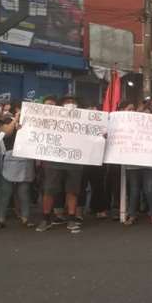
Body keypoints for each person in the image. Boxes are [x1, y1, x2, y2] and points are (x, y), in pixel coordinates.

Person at [36, 96, 86, 233]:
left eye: (73, 103)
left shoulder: (83, 121)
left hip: (74, 160)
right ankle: (45, 218)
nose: (70, 105)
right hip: (54, 160)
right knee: (49, 190)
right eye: (67, 103)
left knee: (72, 190)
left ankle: (71, 218)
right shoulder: (52, 120)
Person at [123, 94, 152, 227]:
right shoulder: (129, 121)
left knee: (149, 189)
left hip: (149, 160)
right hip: (133, 161)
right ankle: (132, 215)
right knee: (134, 190)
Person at [0, 113, 34, 229]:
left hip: (25, 161)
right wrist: (14, 120)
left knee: (23, 192)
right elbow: (6, 133)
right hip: (7, 161)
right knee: (5, 191)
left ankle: (25, 218)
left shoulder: (31, 125)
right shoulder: (2, 125)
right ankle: (0, 219)